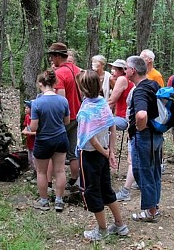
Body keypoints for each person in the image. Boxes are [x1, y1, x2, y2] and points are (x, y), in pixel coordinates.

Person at [75, 70, 129, 240]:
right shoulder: (103, 103)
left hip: (90, 156)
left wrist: (107, 151)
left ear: (83, 88)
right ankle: (120, 225)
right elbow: (112, 126)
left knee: (92, 191)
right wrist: (110, 151)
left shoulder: (86, 111)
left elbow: (91, 139)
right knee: (106, 189)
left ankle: (102, 230)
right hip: (103, 154)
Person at [125, 56, 163, 222]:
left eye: (126, 68)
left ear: (133, 71)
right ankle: (154, 205)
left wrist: (139, 128)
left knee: (142, 172)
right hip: (156, 135)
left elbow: (141, 114)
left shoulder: (140, 90)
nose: (125, 70)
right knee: (154, 171)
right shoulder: (153, 84)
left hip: (144, 136)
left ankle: (150, 211)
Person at [30, 69, 70, 212]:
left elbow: (34, 127)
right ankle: (59, 201)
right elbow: (66, 121)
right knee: (60, 170)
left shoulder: (37, 103)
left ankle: (44, 201)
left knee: (41, 172)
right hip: (60, 138)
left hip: (43, 140)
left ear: (40, 83)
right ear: (55, 83)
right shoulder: (63, 100)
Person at [47, 42, 81, 190]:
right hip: (77, 115)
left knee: (51, 151)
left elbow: (60, 99)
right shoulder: (77, 70)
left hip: (64, 118)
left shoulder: (59, 73)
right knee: (73, 151)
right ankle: (74, 180)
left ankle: (48, 183)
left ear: (57, 56)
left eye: (51, 56)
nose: (50, 60)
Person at [107, 59, 134, 130]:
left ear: (122, 71)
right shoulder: (128, 80)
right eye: (112, 69)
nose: (111, 71)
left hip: (124, 119)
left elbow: (111, 102)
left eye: (115, 69)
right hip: (128, 118)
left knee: (95, 122)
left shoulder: (122, 79)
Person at [22, 100, 36, 172]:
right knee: (30, 159)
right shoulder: (27, 117)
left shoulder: (36, 119)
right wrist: (25, 130)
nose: (25, 109)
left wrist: (27, 133)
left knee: (35, 159)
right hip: (29, 143)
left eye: (27, 108)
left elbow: (38, 132)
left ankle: (37, 173)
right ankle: (34, 171)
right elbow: (26, 126)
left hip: (35, 143)